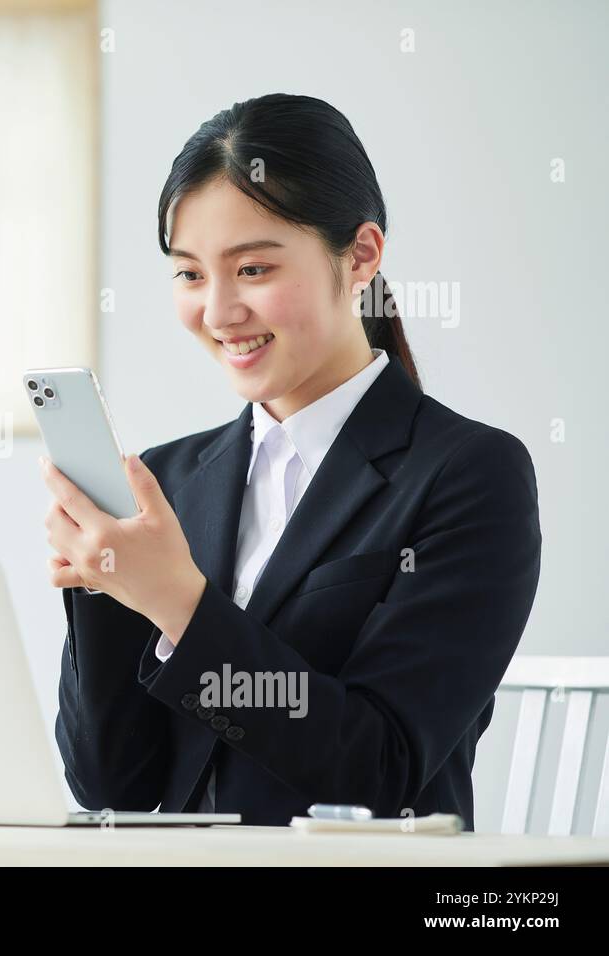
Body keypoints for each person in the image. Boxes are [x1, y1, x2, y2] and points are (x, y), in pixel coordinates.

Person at [45, 93, 541, 830]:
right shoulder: (168, 482)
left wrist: (178, 601)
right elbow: (110, 783)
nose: (217, 313)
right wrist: (108, 587)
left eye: (252, 270)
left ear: (362, 254)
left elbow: (381, 768)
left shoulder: (468, 474)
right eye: (189, 274)